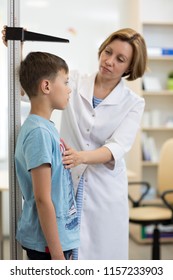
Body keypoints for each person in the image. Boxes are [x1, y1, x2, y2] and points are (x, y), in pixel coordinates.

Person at [2, 27, 147, 260]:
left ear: (130, 67)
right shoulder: (74, 82)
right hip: (66, 180)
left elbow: (118, 146)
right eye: (108, 52)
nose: (109, 61)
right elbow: (33, 88)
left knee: (101, 258)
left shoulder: (133, 103)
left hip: (104, 191)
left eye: (120, 59)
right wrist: (18, 51)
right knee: (66, 254)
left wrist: (81, 157)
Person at [14, 51, 80, 260]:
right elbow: (42, 199)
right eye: (66, 81)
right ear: (46, 86)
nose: (69, 89)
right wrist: (58, 255)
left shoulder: (44, 128)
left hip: (52, 242)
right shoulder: (39, 133)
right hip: (47, 246)